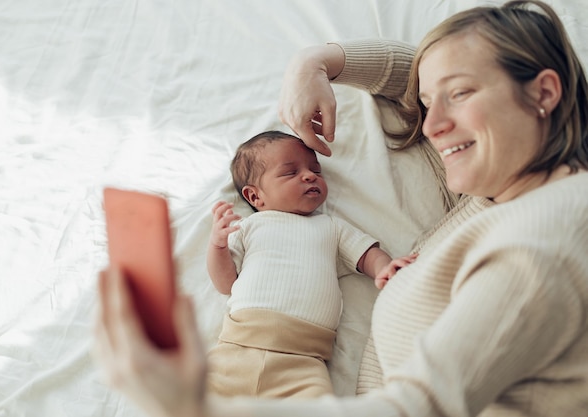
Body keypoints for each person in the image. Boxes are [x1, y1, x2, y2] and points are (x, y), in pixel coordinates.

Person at [93, 1, 588, 416]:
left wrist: (197, 405)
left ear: (544, 92)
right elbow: (410, 72)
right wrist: (310, 65)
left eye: (458, 95)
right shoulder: (501, 189)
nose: (430, 123)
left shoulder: (544, 238)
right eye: (429, 101)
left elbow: (416, 408)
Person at [205, 130, 416, 398]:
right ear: (255, 197)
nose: (309, 175)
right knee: (198, 402)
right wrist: (218, 246)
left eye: (315, 170)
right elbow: (225, 284)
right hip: (238, 346)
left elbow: (368, 254)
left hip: (304, 361)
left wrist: (385, 268)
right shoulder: (249, 226)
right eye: (290, 172)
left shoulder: (331, 227)